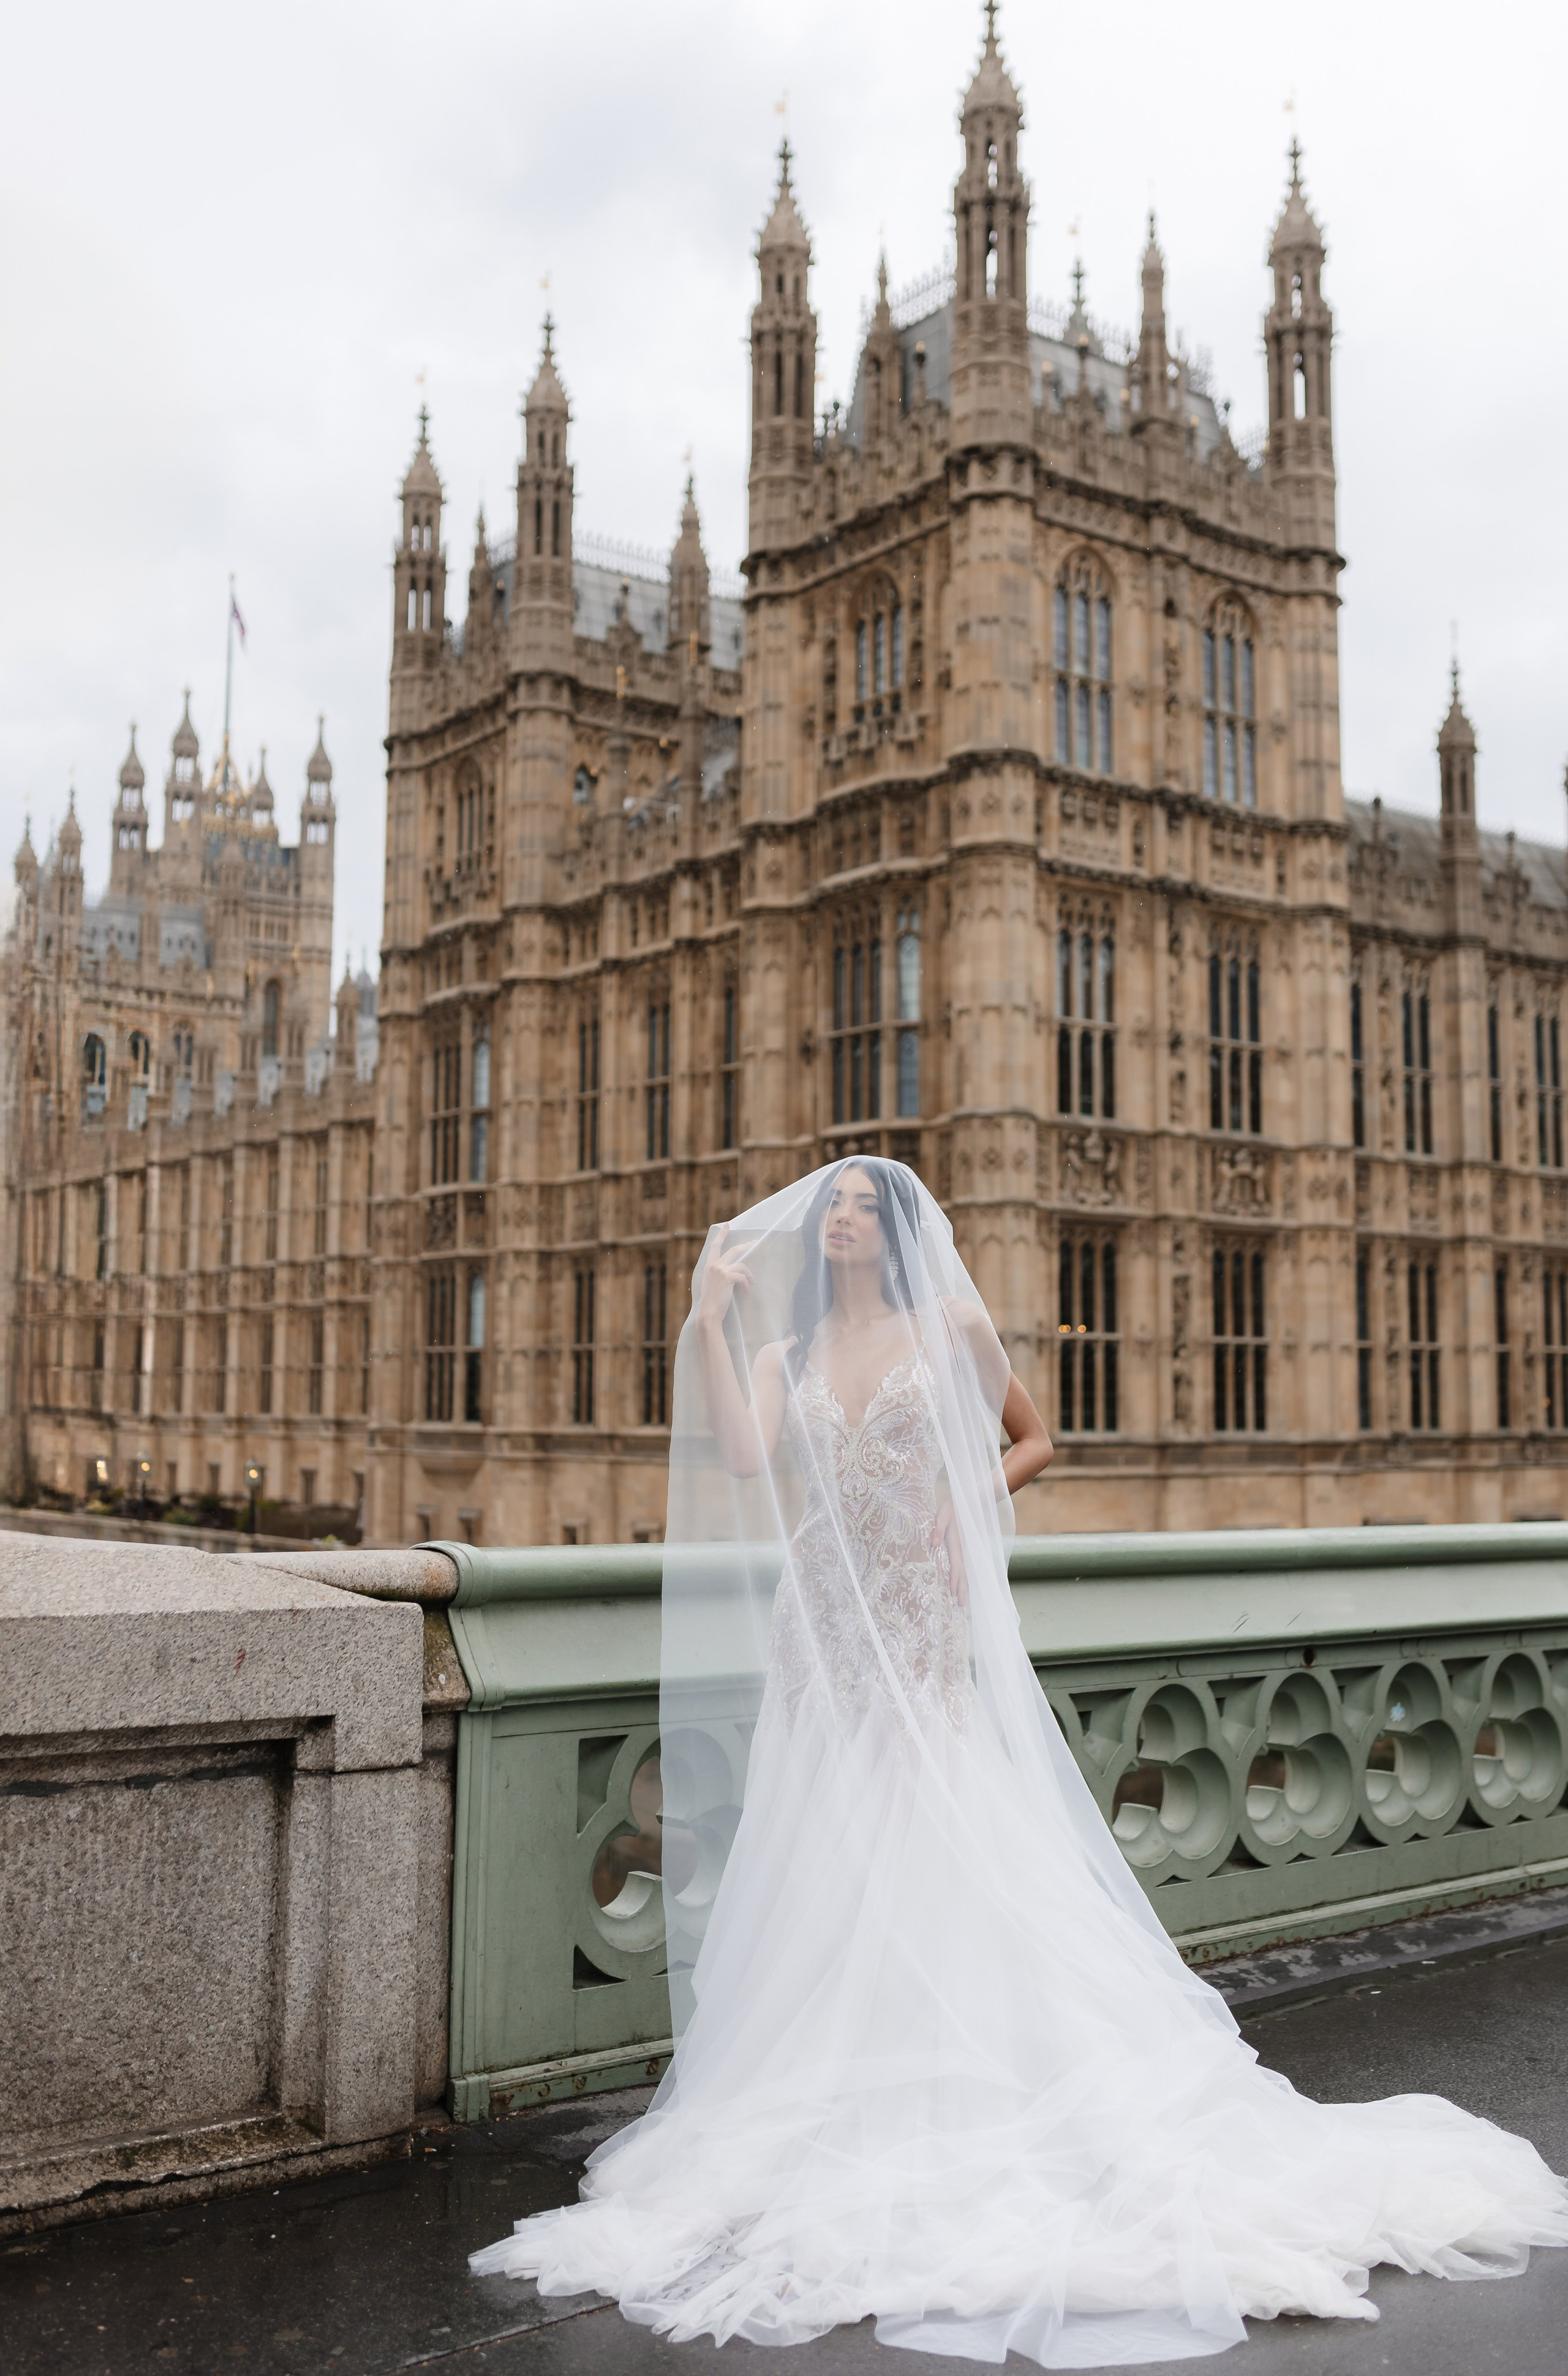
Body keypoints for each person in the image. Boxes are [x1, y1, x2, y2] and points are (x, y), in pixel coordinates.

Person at [473, 1158, 1568, 2367]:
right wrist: (704, 1314)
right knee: (833, 1859)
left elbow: (1034, 1437)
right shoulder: (781, 1354)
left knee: (937, 1842)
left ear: (891, 1233)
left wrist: (961, 1502)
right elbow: (743, 1460)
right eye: (828, 1204)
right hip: (822, 1628)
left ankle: (965, 2089)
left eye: (860, 1206)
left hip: (917, 1621)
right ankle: (848, 2098)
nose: (840, 1219)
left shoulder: (944, 1323)